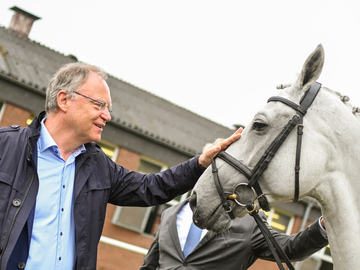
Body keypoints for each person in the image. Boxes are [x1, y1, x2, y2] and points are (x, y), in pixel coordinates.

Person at [0, 62, 242, 270]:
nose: (108, 116)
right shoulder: (5, 147)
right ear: (64, 100)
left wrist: (200, 163)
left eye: (108, 108)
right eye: (99, 105)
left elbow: (151, 187)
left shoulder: (98, 166)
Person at [139, 199, 328, 270]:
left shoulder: (249, 221)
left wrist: (326, 223)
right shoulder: (170, 214)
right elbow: (149, 266)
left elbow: (289, 249)